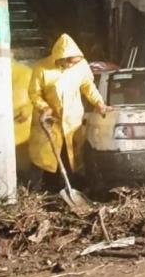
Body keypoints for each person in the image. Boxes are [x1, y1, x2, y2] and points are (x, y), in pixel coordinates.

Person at [28, 34, 109, 180]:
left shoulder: (81, 66)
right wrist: (45, 107)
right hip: (49, 121)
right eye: (70, 62)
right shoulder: (41, 68)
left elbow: (88, 87)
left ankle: (71, 186)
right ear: (61, 58)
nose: (72, 65)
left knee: (72, 156)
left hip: (72, 120)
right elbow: (34, 93)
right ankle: (41, 190)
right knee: (45, 158)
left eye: (75, 62)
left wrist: (99, 103)